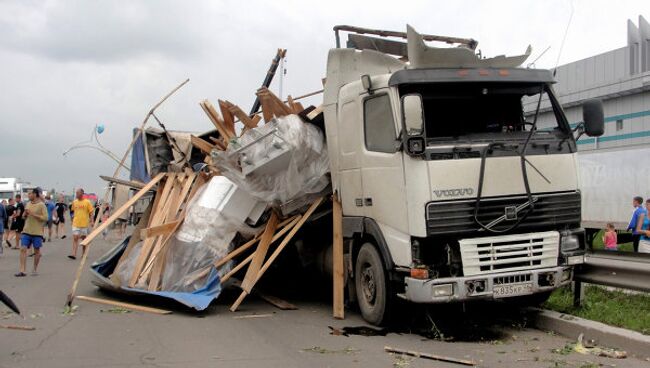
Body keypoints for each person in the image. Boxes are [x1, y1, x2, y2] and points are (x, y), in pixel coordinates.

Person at [15, 188, 47, 277]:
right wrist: (24, 214)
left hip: (37, 232)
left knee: (37, 251)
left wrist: (33, 214)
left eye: (30, 194)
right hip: (26, 231)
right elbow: (23, 217)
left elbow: (45, 218)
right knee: (23, 249)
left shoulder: (42, 205)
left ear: (35, 194)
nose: (28, 195)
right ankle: (22, 270)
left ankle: (34, 269)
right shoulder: (28, 204)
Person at [69, 188, 94, 260]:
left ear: (82, 194)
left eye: (78, 193)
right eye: (76, 193)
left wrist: (92, 221)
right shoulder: (75, 202)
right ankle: (73, 254)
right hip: (76, 223)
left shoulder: (87, 202)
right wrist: (72, 219)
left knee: (84, 240)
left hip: (84, 224)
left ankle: (83, 254)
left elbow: (91, 212)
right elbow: (72, 211)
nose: (76, 194)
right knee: (75, 238)